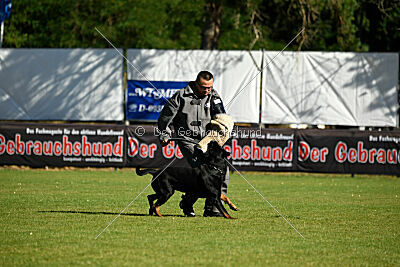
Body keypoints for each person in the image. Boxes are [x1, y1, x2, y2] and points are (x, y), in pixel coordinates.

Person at [157, 70, 229, 217]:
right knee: (201, 168)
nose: (207, 90)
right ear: (196, 83)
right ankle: (190, 204)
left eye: (210, 87)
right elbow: (165, 118)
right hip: (187, 140)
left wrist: (221, 133)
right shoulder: (180, 96)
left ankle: (211, 208)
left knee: (222, 169)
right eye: (204, 87)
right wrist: (165, 134)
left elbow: (221, 118)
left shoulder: (213, 96)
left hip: (207, 140)